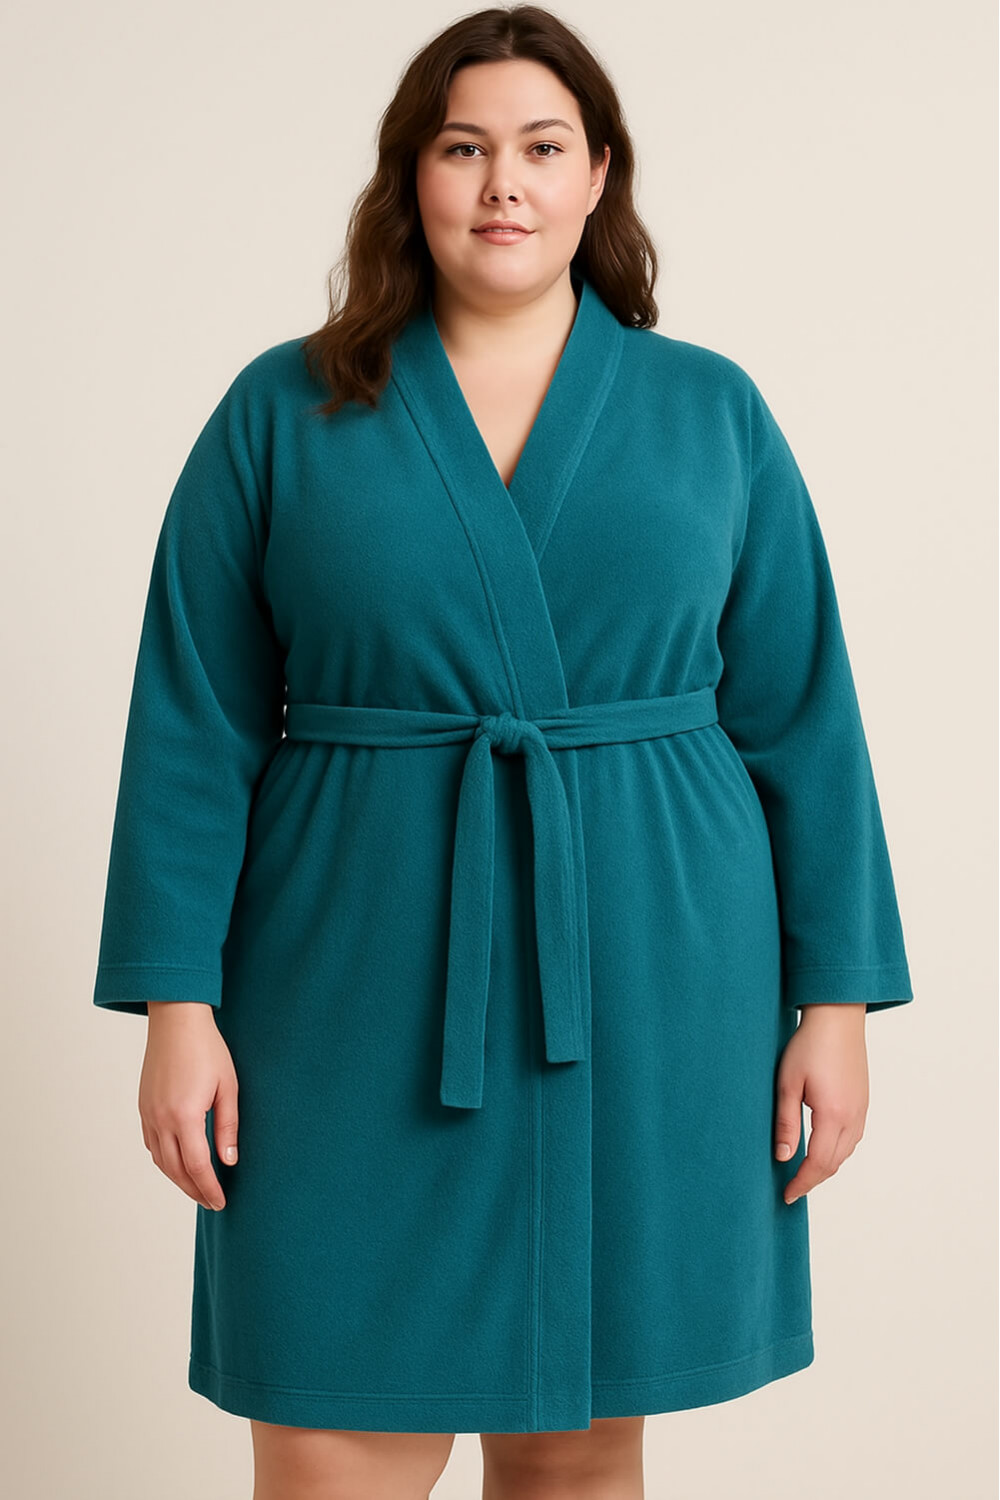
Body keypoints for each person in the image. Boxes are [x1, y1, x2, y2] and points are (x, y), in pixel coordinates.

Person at [92, 6, 914, 1498]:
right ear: (410, 175)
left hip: (652, 975)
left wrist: (838, 1003)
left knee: (580, 1450)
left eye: (541, 147)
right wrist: (175, 1004)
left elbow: (805, 715)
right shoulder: (283, 410)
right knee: (329, 1440)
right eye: (463, 148)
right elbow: (192, 721)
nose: (503, 185)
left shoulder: (709, 411)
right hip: (347, 987)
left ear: (599, 174)